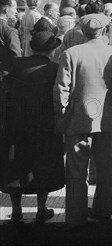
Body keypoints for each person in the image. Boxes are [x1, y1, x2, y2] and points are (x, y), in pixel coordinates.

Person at [53, 13, 112, 229]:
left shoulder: (71, 53)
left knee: (76, 171)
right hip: (107, 120)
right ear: (104, 31)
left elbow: (61, 89)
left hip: (77, 120)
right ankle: (103, 211)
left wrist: (62, 116)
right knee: (107, 170)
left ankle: (76, 216)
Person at [0, 31, 65, 224]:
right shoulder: (55, 69)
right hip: (44, 126)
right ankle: (41, 208)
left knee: (15, 167)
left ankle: (17, 210)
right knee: (43, 165)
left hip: (16, 125)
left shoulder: (17, 65)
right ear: (52, 50)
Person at [0, 0, 21, 72]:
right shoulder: (10, 30)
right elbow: (16, 56)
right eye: (15, 8)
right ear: (5, 9)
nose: (16, 12)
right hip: (5, 72)